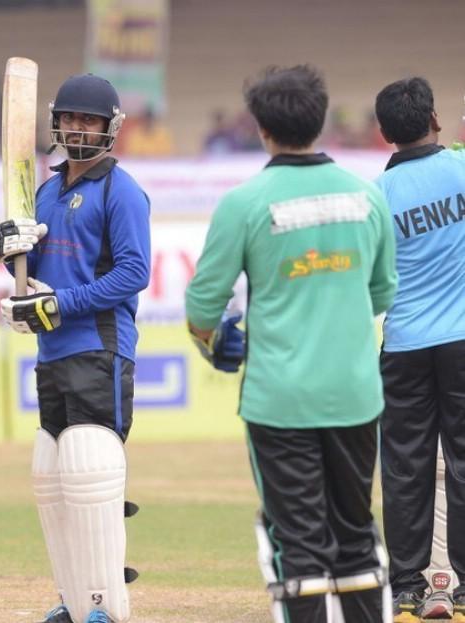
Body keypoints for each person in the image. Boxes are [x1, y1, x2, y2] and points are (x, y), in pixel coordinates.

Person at [185, 65, 398, 623]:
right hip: (354, 394)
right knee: (355, 534)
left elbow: (203, 309)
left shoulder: (245, 202)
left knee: (297, 544)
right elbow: (381, 293)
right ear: (321, 119)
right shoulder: (366, 198)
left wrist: (216, 344)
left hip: (279, 399)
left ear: (260, 127)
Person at [0, 73, 151, 623]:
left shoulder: (121, 191)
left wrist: (59, 305)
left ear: (110, 128)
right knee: (53, 477)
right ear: (56, 123)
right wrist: (10, 255)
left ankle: (106, 605)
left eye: (89, 120)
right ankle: (73, 596)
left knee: (89, 470)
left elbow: (134, 272)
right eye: (70, 119)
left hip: (99, 347)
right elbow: (32, 272)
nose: (77, 128)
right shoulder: (45, 190)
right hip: (53, 353)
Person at [372, 76, 465, 623]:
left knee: (405, 468)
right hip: (463, 339)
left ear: (385, 133)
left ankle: (407, 586)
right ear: (434, 119)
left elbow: (373, 282)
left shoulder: (376, 195)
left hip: (404, 342)